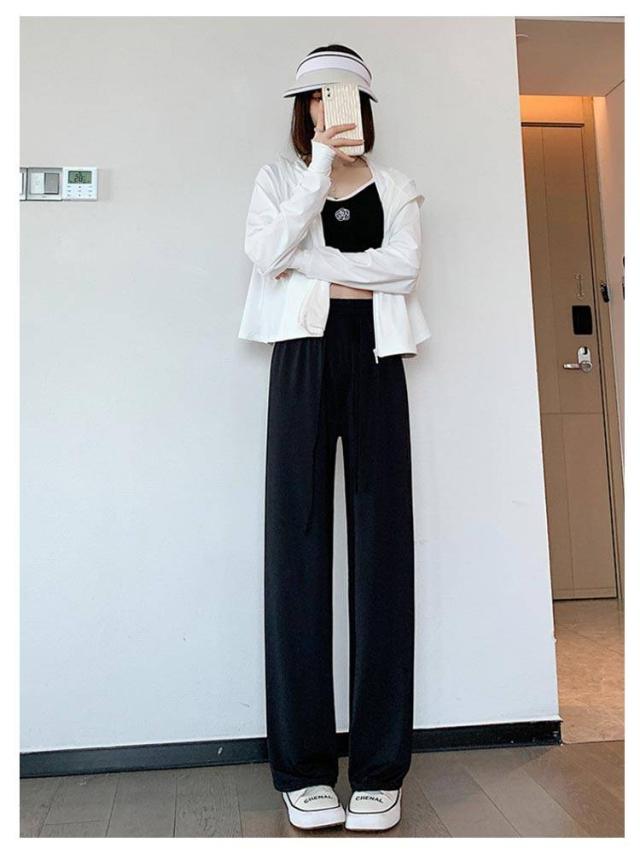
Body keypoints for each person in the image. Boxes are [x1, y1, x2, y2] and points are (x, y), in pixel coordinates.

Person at [238, 44, 431, 833]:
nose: (330, 104)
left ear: (364, 104)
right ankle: (304, 769)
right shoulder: (280, 180)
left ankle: (381, 769)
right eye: (316, 95)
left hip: (377, 359)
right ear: (304, 108)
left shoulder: (398, 185)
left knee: (384, 551)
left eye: (342, 93)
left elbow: (405, 269)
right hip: (303, 359)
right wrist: (318, 172)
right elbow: (264, 255)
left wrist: (310, 264)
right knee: (297, 546)